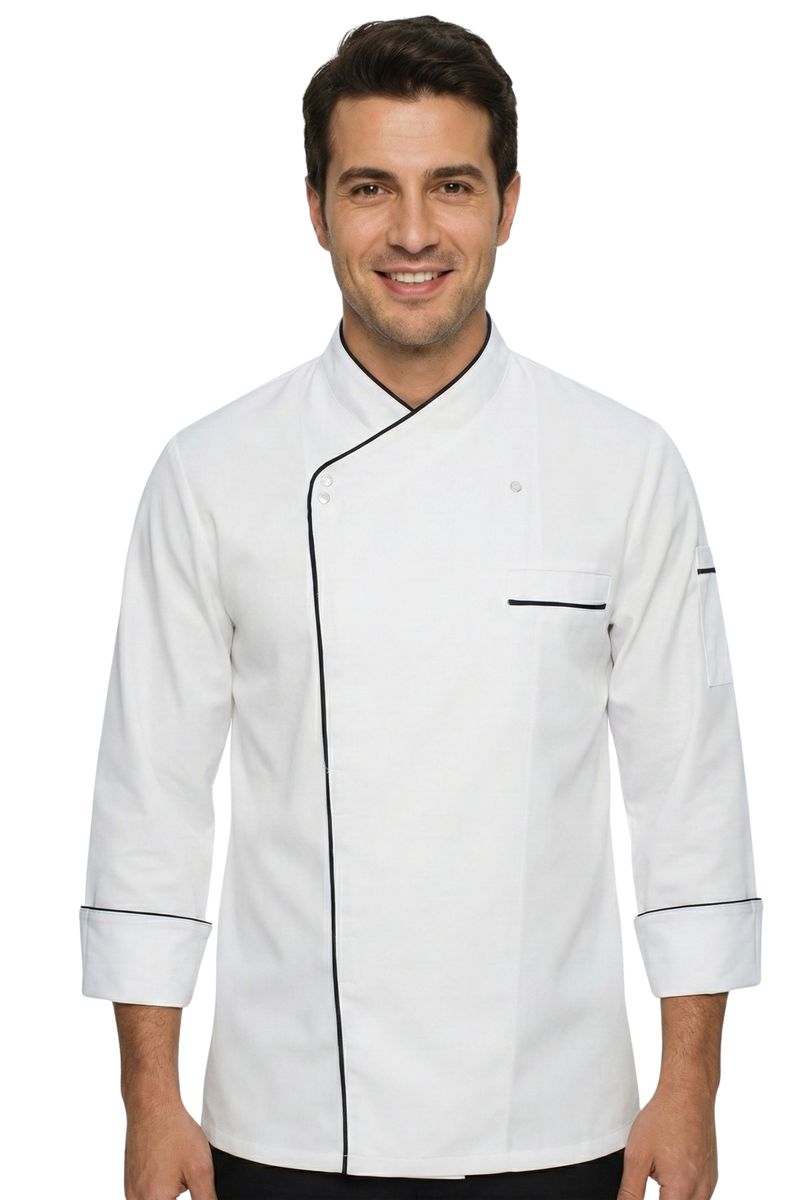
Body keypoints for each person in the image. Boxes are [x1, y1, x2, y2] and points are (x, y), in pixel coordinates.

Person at [79, 15, 763, 1200]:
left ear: (507, 204)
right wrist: (150, 1101)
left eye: (450, 186)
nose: (410, 233)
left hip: (554, 1117)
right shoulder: (210, 474)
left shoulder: (621, 465)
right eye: (368, 189)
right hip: (288, 1117)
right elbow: (151, 802)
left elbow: (688, 795)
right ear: (314, 210)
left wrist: (688, 1087)